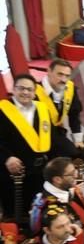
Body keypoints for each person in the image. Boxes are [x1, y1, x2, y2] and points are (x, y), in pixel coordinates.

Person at [0, 74, 52, 221]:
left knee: (36, 212)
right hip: (12, 173)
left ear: (35, 92)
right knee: (13, 215)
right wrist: (7, 157)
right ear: (13, 89)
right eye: (21, 88)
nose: (25, 92)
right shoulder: (2, 110)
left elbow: (51, 137)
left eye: (29, 89)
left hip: (38, 172)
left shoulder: (42, 109)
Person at [35, 59, 83, 156]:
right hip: (38, 136)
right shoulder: (35, 93)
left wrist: (78, 140)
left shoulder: (70, 88)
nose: (63, 80)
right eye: (60, 74)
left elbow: (74, 115)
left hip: (58, 133)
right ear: (49, 72)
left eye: (67, 76)